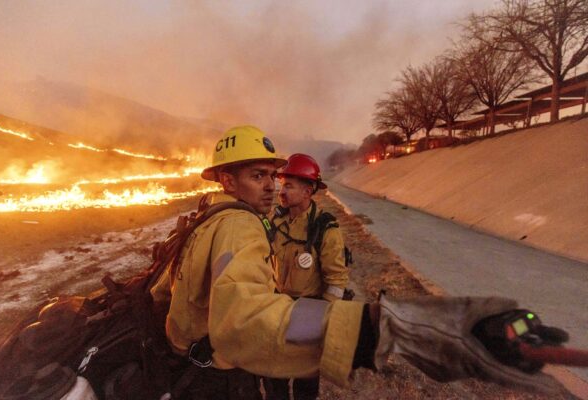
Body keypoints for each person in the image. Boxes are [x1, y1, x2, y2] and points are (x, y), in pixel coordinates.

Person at [150, 125, 562, 400]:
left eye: (275, 177)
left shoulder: (206, 220)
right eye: (259, 176)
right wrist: (376, 329)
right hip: (220, 370)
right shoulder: (240, 226)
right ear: (227, 180)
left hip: (215, 356)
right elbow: (245, 318)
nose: (274, 187)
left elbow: (167, 295)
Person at [265, 153, 349, 400]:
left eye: (289, 185)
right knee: (274, 380)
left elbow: (336, 282)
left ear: (307, 190)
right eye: (282, 184)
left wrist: (323, 322)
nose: (282, 190)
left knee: (305, 385)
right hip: (276, 310)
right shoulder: (275, 220)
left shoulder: (325, 228)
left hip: (308, 313)